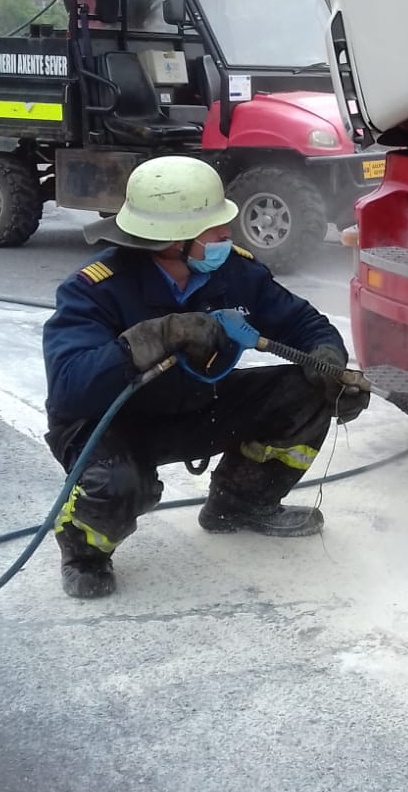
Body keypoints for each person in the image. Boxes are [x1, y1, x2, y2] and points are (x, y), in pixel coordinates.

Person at [42, 156, 371, 599]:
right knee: (116, 484)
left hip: (196, 404)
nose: (226, 234)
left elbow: (304, 324)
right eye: (215, 228)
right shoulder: (96, 288)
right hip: (114, 423)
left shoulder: (235, 272)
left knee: (305, 393)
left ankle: (239, 505)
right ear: (173, 240)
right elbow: (69, 390)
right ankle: (85, 553)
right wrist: (152, 338)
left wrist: (328, 361)